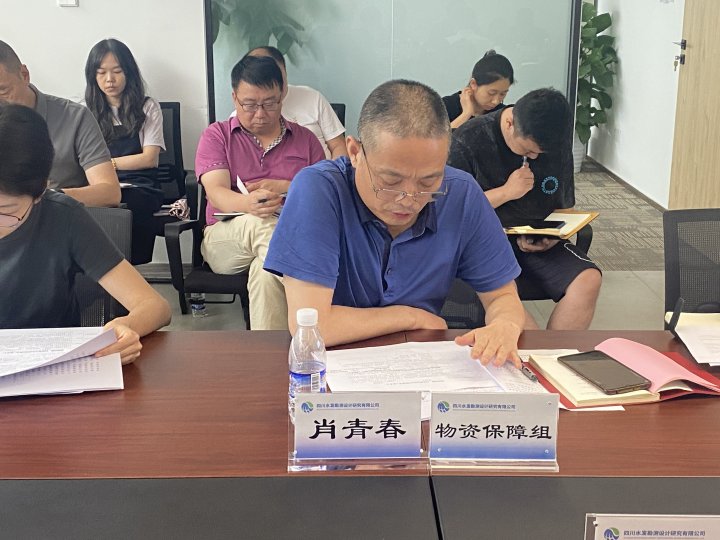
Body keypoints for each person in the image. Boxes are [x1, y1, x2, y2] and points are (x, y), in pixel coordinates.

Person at [265, 79, 525, 367]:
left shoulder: (461, 193)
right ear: (355, 152)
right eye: (390, 181)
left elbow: (502, 295)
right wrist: (411, 317)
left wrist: (505, 324)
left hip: (423, 364)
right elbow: (312, 325)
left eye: (428, 181)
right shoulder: (319, 189)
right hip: (334, 368)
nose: (409, 199)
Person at [0, 103, 171, 363]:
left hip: (53, 368)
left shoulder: (63, 217)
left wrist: (125, 327)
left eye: (5, 211)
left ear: (41, 191)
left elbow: (155, 306)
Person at [448, 88, 602, 330]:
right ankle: (537, 350)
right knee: (523, 324)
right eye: (528, 150)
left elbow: (564, 206)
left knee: (588, 279)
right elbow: (452, 210)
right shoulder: (469, 139)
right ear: (510, 122)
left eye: (539, 153)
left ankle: (556, 351)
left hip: (537, 239)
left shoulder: (554, 142)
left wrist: (553, 236)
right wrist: (506, 192)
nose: (534, 157)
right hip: (483, 243)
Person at [196, 55, 325, 330]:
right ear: (234, 98)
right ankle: (315, 308)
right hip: (225, 237)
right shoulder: (217, 136)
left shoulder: (306, 140)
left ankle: (270, 352)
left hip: (290, 232)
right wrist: (248, 204)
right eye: (250, 105)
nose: (260, 113)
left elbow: (323, 197)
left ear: (282, 96)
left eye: (269, 103)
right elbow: (216, 192)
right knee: (262, 225)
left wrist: (287, 187)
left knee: (265, 273)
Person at [0, 40, 120, 207]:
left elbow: (109, 192)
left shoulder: (74, 117)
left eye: (3, 90)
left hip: (58, 215)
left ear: (24, 75)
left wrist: (47, 198)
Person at [84, 38, 165, 264]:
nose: (109, 79)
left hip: (141, 185)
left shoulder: (147, 107)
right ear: (93, 76)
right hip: (100, 184)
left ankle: (128, 267)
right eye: (101, 73)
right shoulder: (85, 111)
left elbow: (149, 159)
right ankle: (95, 269)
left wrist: (107, 164)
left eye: (117, 71)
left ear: (128, 72)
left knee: (130, 201)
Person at [235, 45, 347, 160]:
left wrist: (334, 170)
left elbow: (338, 145)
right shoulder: (239, 119)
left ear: (284, 71)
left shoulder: (313, 97)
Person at [442, 50, 514, 130]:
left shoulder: (503, 114)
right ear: (473, 84)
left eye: (503, 94)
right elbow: (437, 138)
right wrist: (466, 114)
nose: (496, 101)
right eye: (491, 93)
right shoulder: (444, 107)